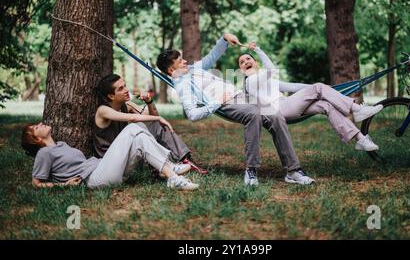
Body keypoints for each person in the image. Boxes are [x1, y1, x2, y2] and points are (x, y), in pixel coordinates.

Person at [156, 33, 315, 186]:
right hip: (227, 104)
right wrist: (217, 102)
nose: (185, 61)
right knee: (254, 115)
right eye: (180, 61)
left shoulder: (193, 68)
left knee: (275, 115)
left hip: (241, 95)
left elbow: (212, 56)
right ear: (171, 70)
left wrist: (224, 38)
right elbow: (192, 115)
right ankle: (251, 170)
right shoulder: (183, 85)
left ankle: (293, 171)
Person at [237, 43, 383, 151]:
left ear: (255, 63)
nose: (245, 62)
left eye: (248, 58)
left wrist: (326, 91)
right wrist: (257, 50)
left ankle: (361, 139)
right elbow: (271, 69)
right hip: (278, 110)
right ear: (242, 71)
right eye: (242, 62)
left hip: (288, 105)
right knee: (318, 87)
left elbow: (293, 87)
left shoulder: (267, 81)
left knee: (326, 105)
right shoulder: (250, 82)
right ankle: (357, 109)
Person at [21, 122, 199, 190]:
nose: (40, 123)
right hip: (94, 179)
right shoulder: (44, 153)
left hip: (102, 169)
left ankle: (167, 171)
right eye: (36, 127)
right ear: (36, 139)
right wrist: (63, 185)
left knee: (140, 133)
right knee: (132, 129)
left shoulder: (61, 145)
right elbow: (36, 183)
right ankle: (170, 171)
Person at [94, 74, 208, 175]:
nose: (126, 90)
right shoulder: (103, 110)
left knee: (157, 126)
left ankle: (185, 160)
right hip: (112, 163)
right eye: (121, 88)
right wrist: (159, 117)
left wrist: (149, 101)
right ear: (111, 96)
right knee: (137, 127)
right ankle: (165, 166)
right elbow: (133, 118)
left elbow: (153, 117)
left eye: (125, 85)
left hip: (126, 154)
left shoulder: (126, 105)